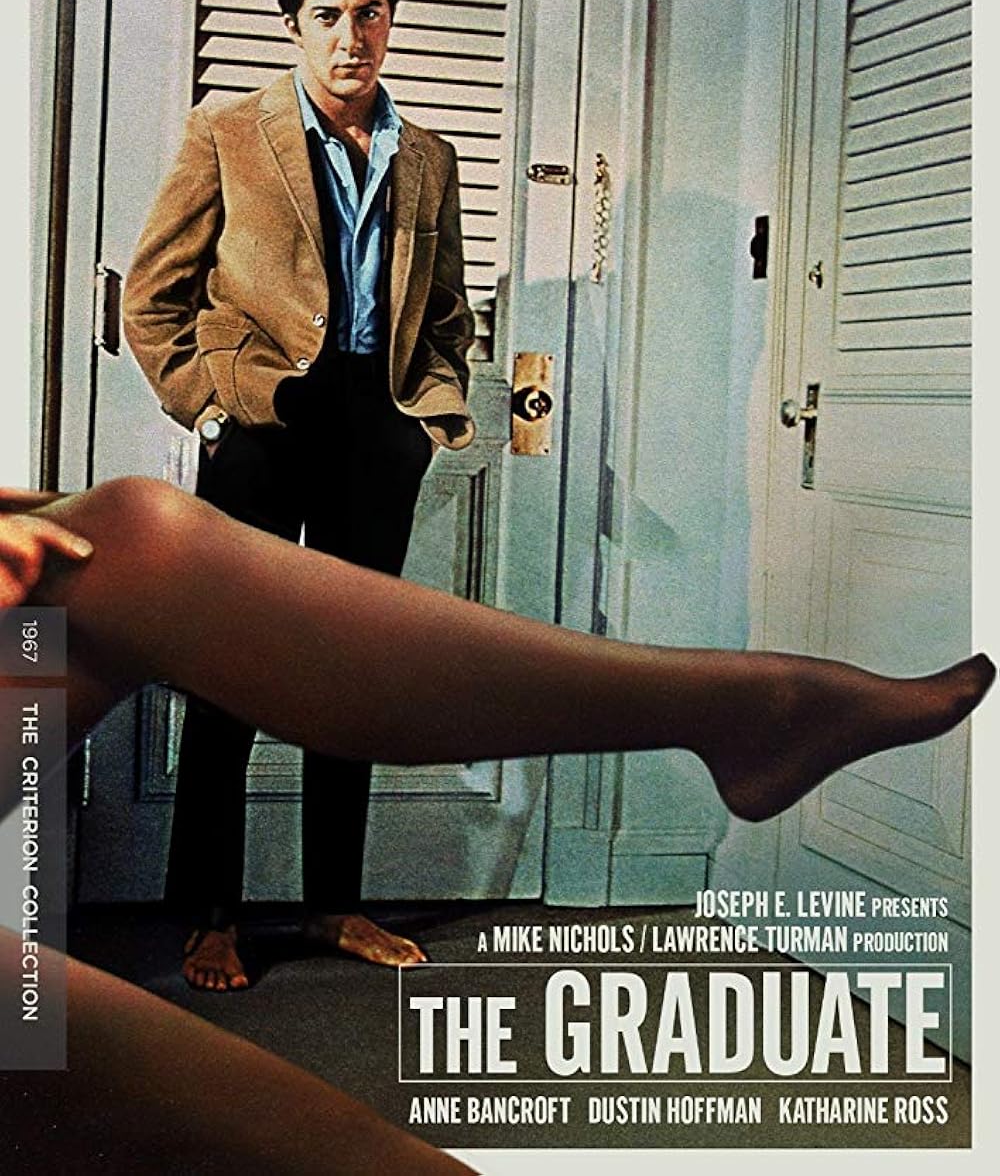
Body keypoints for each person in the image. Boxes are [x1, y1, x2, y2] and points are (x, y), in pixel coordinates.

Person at [0, 482, 993, 1169]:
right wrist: (218, 386)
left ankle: (747, 710)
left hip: (362, 428)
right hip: (260, 415)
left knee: (127, 539)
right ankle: (755, 715)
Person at [121, 0, 475, 990]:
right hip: (264, 422)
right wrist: (210, 409)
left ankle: (335, 904)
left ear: (390, 22)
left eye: (369, 14)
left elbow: (447, 311)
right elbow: (153, 298)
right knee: (233, 666)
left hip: (376, 428)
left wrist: (424, 416)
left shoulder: (428, 157)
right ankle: (214, 914)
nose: (350, 38)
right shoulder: (228, 131)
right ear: (293, 25)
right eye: (327, 15)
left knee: (353, 672)